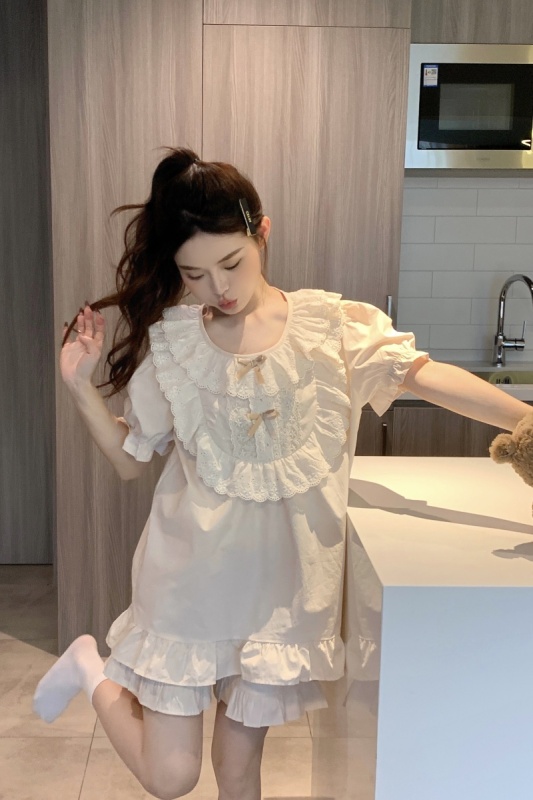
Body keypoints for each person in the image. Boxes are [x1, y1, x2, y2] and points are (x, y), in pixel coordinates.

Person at [33, 147, 532, 800]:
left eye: (231, 262)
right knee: (172, 776)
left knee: (240, 775)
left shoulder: (333, 329)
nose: (219, 288)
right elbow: (130, 460)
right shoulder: (176, 346)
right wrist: (78, 386)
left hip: (281, 602)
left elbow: (426, 377)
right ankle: (87, 665)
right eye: (194, 274)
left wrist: (525, 419)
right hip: (187, 590)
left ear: (261, 232)